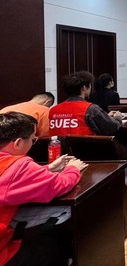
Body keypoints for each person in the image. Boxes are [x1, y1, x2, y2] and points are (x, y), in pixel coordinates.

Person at [0, 112, 87, 266]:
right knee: (57, 236)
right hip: (3, 255)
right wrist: (73, 169)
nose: (33, 143)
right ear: (18, 143)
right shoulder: (19, 166)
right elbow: (60, 185)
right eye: (33, 140)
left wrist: (47, 168)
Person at [49, 71, 123, 136]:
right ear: (84, 88)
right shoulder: (90, 109)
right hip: (85, 147)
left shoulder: (53, 110)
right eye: (90, 85)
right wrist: (118, 117)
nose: (91, 88)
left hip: (60, 147)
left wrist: (106, 116)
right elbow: (112, 127)